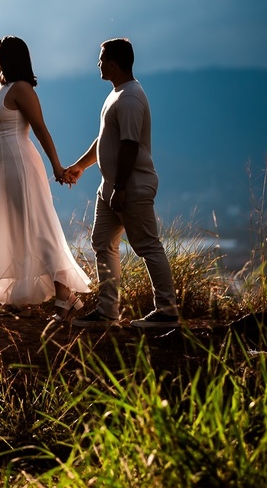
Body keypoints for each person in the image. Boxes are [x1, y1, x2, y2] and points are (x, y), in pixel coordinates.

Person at [0, 36, 92, 317]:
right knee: (13, 229)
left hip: (20, 167)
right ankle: (18, 298)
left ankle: (64, 293)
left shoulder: (22, 89)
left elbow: (40, 129)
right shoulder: (0, 90)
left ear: (7, 57)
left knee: (37, 227)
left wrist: (56, 166)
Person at [66, 38, 180, 329]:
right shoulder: (117, 94)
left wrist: (120, 187)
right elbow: (105, 139)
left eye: (102, 59)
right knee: (102, 243)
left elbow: (130, 144)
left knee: (148, 246)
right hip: (111, 188)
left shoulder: (130, 98)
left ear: (113, 64)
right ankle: (107, 311)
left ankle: (167, 311)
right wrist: (80, 166)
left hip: (130, 187)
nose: (98, 64)